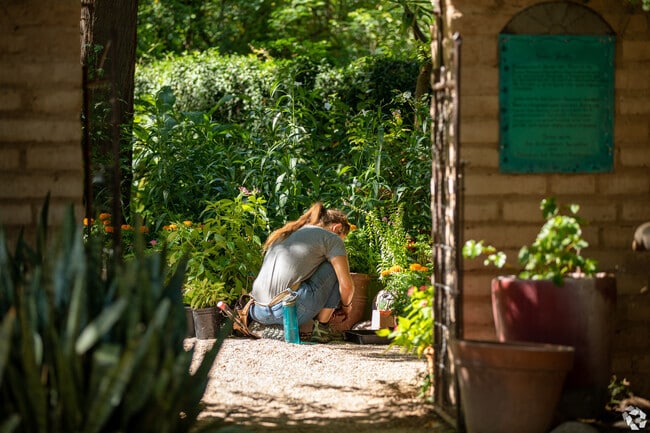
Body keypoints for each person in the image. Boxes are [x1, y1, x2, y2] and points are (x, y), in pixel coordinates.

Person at [248, 202, 355, 343]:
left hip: (257, 311)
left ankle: (269, 326)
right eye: (343, 238)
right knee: (334, 268)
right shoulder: (331, 238)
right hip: (287, 312)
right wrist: (347, 306)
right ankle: (321, 329)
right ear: (337, 228)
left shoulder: (287, 233)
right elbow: (346, 285)